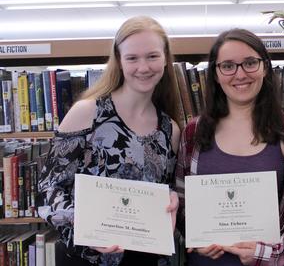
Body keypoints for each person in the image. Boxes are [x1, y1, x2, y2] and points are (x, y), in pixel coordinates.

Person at [38, 16, 181, 266]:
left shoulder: (170, 130)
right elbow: (49, 189)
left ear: (166, 59)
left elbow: (162, 191)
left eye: (152, 56)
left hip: (146, 260)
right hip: (88, 258)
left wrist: (172, 200)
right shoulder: (88, 113)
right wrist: (84, 226)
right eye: (132, 58)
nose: (143, 67)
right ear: (119, 61)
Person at [175, 28, 284, 265]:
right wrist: (194, 236)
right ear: (216, 74)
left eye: (250, 63)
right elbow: (180, 201)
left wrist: (270, 255)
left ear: (265, 67)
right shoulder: (194, 132)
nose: (240, 74)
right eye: (228, 66)